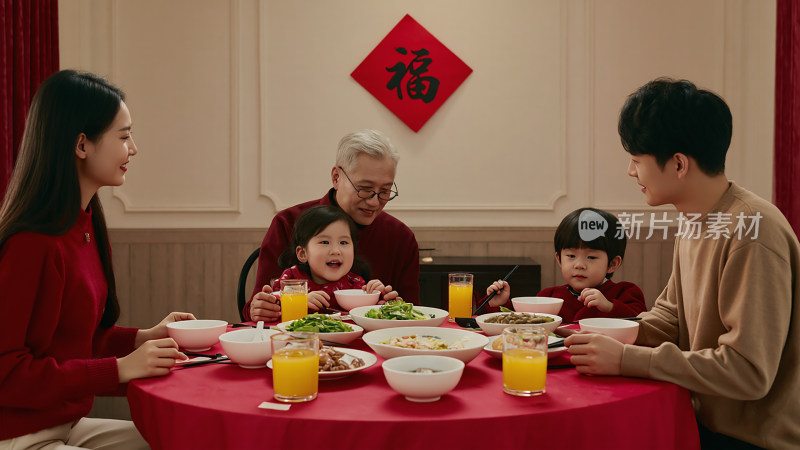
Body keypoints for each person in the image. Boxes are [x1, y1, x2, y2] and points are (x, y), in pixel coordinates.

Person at [564, 78, 800, 449]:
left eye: (636, 160)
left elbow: (749, 373)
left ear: (678, 164)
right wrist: (600, 334)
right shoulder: (695, 219)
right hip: (701, 421)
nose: (630, 172)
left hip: (751, 439)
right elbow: (670, 318)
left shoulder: (752, 231)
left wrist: (628, 359)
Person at [0, 70, 195, 449]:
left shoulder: (86, 223)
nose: (133, 149)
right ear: (82, 145)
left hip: (67, 422)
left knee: (182, 438)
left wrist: (143, 338)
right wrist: (120, 369)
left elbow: (74, 341)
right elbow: (6, 372)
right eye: (123, 137)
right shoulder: (30, 244)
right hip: (19, 435)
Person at [246, 130, 420, 322]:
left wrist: (394, 307)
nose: (374, 202)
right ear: (336, 177)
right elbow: (256, 308)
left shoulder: (400, 237)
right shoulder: (288, 223)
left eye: (385, 191)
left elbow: (413, 316)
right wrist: (262, 308)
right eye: (365, 189)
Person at [488, 208, 646, 322]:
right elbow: (521, 324)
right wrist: (501, 304)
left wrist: (609, 307)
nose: (579, 265)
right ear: (559, 259)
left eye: (591, 257)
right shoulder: (548, 297)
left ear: (612, 264)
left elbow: (643, 324)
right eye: (571, 256)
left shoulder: (626, 293)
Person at [271, 205, 399, 311]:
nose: (336, 251)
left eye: (343, 243)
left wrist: (382, 301)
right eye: (325, 242)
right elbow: (273, 301)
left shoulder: (356, 284)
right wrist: (299, 301)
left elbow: (369, 315)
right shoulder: (293, 279)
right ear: (303, 254)